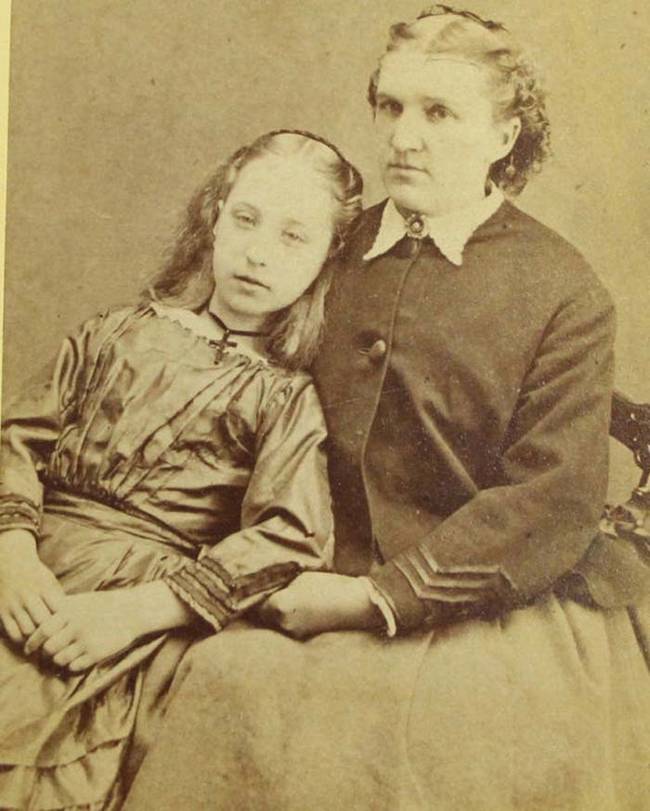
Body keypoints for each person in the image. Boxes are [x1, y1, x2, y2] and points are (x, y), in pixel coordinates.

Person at [122, 7, 650, 811]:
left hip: (496, 603)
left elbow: (554, 498)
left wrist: (376, 596)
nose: (405, 135)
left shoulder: (563, 289)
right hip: (301, 570)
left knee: (410, 739)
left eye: (439, 112)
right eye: (391, 105)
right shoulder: (327, 245)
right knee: (214, 689)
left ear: (504, 138)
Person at [0, 129, 363, 810]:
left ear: (326, 258)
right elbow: (16, 440)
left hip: (118, 606)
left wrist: (138, 610)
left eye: (293, 237)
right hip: (26, 562)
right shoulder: (115, 332)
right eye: (247, 219)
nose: (258, 253)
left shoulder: (286, 397)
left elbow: (290, 536)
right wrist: (12, 552)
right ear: (216, 213)